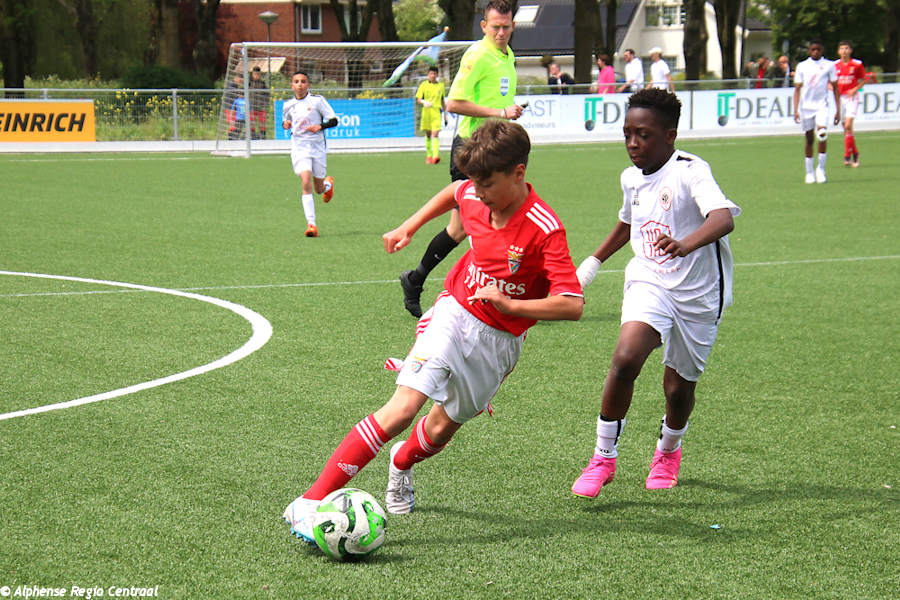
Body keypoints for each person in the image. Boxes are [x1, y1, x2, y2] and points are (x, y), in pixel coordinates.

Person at [283, 120, 584, 542]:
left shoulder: (544, 228)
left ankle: (401, 463)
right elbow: (454, 192)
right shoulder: (474, 194)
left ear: (519, 173)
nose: (477, 193)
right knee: (402, 409)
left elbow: (571, 303)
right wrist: (409, 226)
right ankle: (309, 502)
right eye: (475, 183)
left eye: (487, 184)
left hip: (499, 342)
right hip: (453, 312)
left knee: (440, 429)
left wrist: (510, 304)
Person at [570, 88, 740, 498]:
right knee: (626, 357)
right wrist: (592, 263)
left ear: (669, 135)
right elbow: (629, 222)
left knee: (678, 389)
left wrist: (686, 243)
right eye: (627, 134)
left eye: (643, 135)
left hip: (699, 294)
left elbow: (722, 218)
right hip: (650, 279)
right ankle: (602, 457)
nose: (632, 143)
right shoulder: (630, 178)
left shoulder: (691, 170)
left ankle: (668, 451)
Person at [398, 0, 525, 319]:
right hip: (472, 151)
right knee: (490, 220)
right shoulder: (476, 55)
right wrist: (500, 112)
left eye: (505, 27)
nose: (500, 32)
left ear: (512, 26)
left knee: (458, 229)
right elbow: (453, 103)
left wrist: (508, 115)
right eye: (495, 27)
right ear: (484, 26)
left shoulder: (508, 55)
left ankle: (415, 279)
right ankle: (489, 294)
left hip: (495, 150)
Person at [281, 70, 338, 237]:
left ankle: (328, 186)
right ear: (292, 85)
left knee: (318, 189)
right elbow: (285, 121)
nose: (300, 85)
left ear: (308, 85)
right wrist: (286, 124)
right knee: (306, 181)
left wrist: (320, 126)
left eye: (303, 81)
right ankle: (311, 224)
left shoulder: (317, 101)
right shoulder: (288, 105)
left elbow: (334, 120)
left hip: (317, 147)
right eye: (296, 82)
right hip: (299, 147)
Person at [793, 41, 840, 184]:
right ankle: (809, 172)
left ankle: (821, 169)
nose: (816, 52)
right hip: (806, 107)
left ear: (822, 50)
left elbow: (835, 87)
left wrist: (838, 110)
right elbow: (797, 89)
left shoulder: (829, 65)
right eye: (813, 49)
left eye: (818, 49)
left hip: (822, 105)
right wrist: (795, 110)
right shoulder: (802, 66)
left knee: (822, 134)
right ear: (809, 50)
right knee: (809, 139)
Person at [835, 40, 866, 167]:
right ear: (838, 51)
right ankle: (855, 153)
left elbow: (863, 79)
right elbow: (829, 83)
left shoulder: (857, 64)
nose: (844, 51)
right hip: (840, 99)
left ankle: (847, 156)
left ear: (851, 50)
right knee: (846, 129)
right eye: (842, 49)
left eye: (847, 48)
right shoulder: (834, 65)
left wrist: (855, 89)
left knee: (848, 125)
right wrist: (833, 90)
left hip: (851, 98)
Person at [415, 66, 447, 165]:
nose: (433, 75)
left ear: (437, 75)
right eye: (431, 74)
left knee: (435, 133)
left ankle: (436, 156)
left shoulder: (441, 86)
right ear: (428, 75)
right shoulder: (423, 85)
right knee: (428, 134)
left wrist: (445, 114)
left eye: (434, 74)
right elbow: (418, 99)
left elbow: (442, 100)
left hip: (436, 112)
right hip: (426, 112)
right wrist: (424, 102)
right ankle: (429, 155)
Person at [248, 66, 270, 140]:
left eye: (258, 74)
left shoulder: (262, 84)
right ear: (252, 74)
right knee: (252, 122)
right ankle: (252, 135)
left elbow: (267, 94)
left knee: (262, 122)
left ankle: (263, 136)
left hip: (261, 107)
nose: (256, 76)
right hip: (252, 107)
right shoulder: (249, 83)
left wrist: (265, 103)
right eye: (255, 74)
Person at [223, 73, 244, 140]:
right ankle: (231, 139)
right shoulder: (232, 86)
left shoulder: (234, 86)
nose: (240, 82)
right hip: (230, 108)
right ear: (236, 78)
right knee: (233, 124)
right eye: (240, 80)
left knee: (235, 124)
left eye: (241, 81)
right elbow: (234, 98)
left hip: (231, 108)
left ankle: (233, 138)